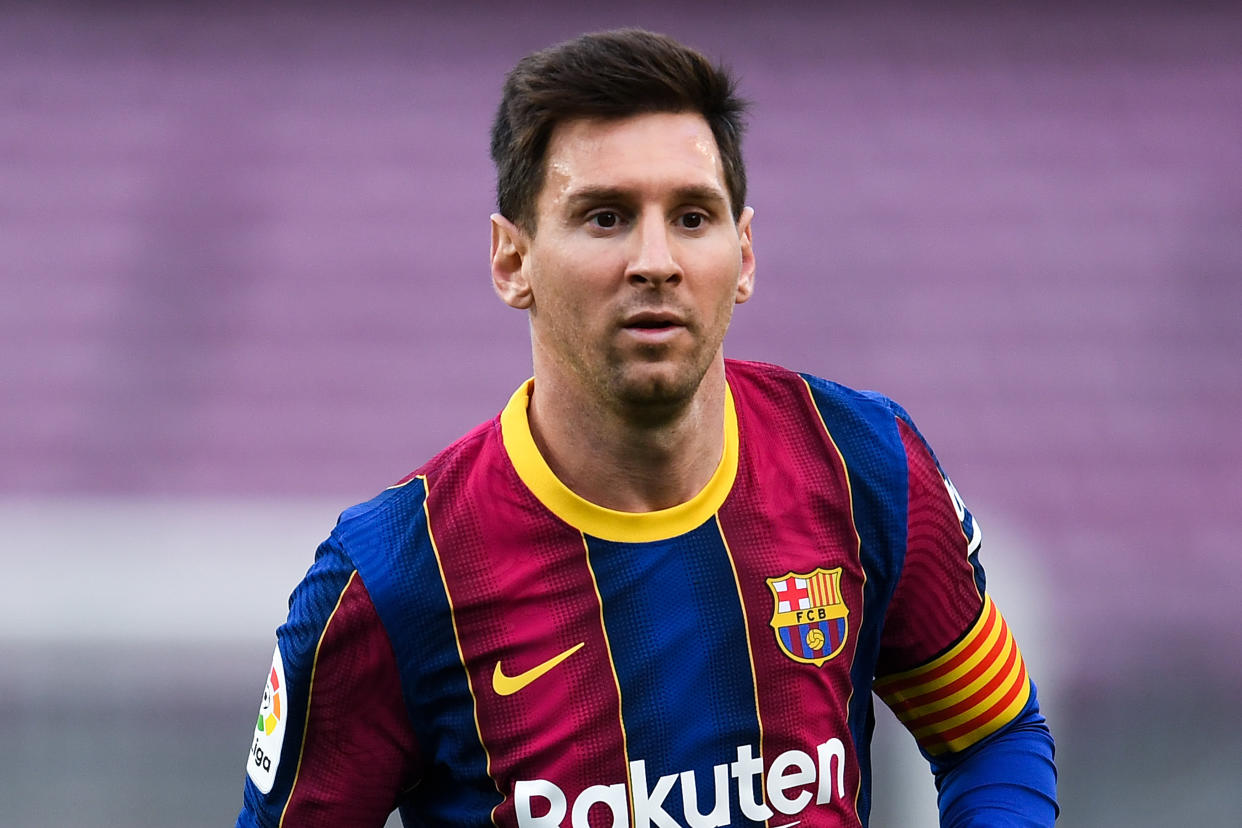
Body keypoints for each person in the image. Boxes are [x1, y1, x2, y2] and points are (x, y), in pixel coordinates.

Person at [235, 28, 1057, 828]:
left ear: (744, 253)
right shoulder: (397, 578)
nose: (655, 260)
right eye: (605, 217)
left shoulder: (862, 465)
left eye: (693, 217)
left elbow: (990, 732)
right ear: (511, 260)